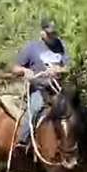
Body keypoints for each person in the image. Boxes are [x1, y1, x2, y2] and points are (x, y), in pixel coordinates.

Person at [12, 18, 70, 147]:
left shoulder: (61, 46)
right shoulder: (31, 48)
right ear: (42, 32)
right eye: (49, 34)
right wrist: (25, 70)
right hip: (39, 88)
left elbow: (68, 67)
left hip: (57, 89)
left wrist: (58, 69)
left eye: (54, 33)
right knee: (36, 107)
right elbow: (15, 68)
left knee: (74, 110)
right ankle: (23, 139)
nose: (52, 37)